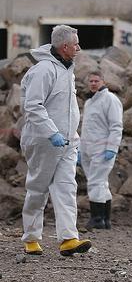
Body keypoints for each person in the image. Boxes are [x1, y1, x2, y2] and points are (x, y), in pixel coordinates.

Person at [19, 25, 91, 256]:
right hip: (43, 141)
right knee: (38, 189)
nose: (79, 48)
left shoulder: (66, 69)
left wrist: (72, 138)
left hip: (67, 142)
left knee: (66, 188)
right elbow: (32, 105)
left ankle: (69, 238)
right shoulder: (43, 70)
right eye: (76, 44)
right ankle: (31, 238)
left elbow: (66, 109)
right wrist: (52, 132)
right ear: (64, 46)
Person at [79, 71, 123, 230]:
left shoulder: (110, 99)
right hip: (88, 149)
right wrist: (80, 150)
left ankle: (97, 219)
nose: (93, 83)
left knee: (95, 182)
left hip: (103, 149)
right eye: (90, 81)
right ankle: (105, 220)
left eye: (96, 80)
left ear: (103, 81)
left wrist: (112, 148)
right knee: (101, 184)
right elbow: (87, 128)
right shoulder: (89, 102)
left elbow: (116, 126)